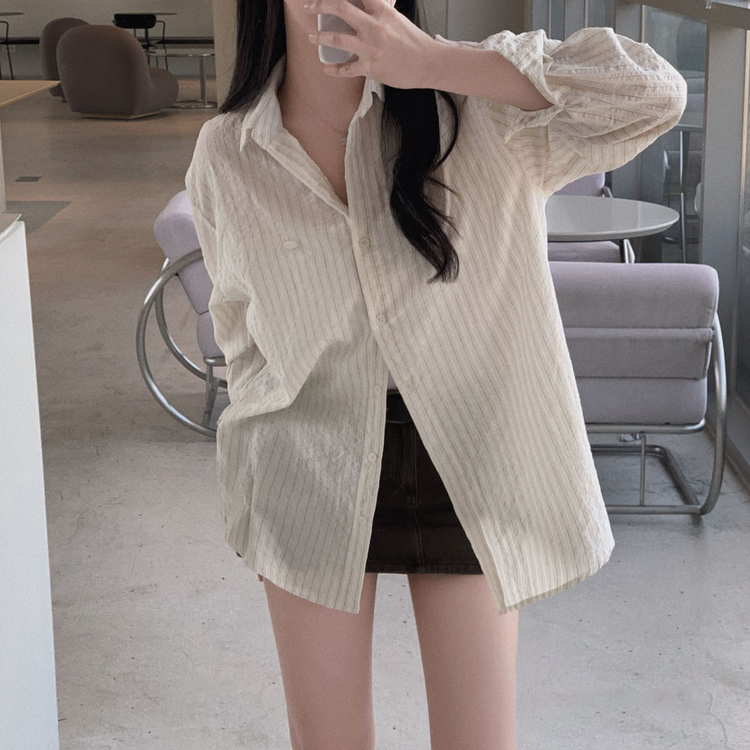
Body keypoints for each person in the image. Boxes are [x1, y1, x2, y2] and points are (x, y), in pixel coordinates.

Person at [184, 1, 687, 748]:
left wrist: (430, 64)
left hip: (470, 457)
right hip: (307, 465)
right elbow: (240, 325)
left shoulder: (482, 109)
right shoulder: (229, 150)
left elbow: (654, 92)